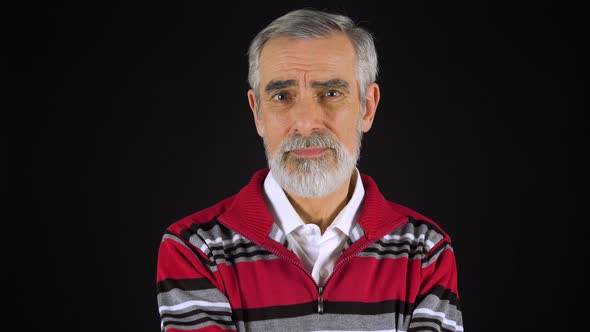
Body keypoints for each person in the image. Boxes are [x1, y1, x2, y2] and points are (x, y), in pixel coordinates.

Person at [156, 8, 463, 332]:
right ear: (258, 113)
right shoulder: (195, 249)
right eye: (282, 95)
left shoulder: (426, 251)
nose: (304, 123)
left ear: (367, 107)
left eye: (331, 93)